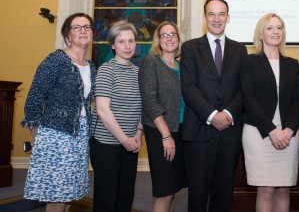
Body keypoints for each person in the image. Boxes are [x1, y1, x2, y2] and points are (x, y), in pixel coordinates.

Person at [21, 13, 96, 212]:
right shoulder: (56, 60)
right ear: (67, 34)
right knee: (57, 192)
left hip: (79, 135)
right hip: (56, 135)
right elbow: (34, 98)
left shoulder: (92, 67)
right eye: (77, 27)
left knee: (71, 190)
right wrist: (35, 133)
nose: (83, 31)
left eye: (87, 27)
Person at [180, 0, 248, 212]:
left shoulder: (240, 49)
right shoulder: (190, 48)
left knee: (224, 193)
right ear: (204, 17)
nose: (216, 19)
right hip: (199, 131)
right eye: (211, 14)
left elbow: (242, 88)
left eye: (221, 14)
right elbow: (188, 87)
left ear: (228, 18)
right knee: (198, 195)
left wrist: (227, 114)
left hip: (230, 132)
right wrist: (212, 115)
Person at [240, 13, 299, 212]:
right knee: (265, 190)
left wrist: (289, 130)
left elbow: (297, 101)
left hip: (288, 135)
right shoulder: (249, 62)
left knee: (284, 190)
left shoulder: (292, 64)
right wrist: (271, 130)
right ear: (260, 33)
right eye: (270, 28)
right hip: (258, 133)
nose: (276, 32)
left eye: (279, 27)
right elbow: (248, 99)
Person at [89, 20, 143, 212]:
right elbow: (103, 110)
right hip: (106, 143)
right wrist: (124, 140)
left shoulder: (139, 72)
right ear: (113, 45)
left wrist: (138, 133)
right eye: (121, 41)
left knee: (126, 194)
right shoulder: (106, 70)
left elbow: (142, 107)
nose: (127, 46)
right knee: (107, 197)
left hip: (130, 142)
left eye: (131, 41)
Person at [139, 21, 187, 212]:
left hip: (182, 130)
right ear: (158, 40)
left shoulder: (181, 65)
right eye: (164, 35)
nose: (169, 38)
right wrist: (166, 135)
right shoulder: (151, 62)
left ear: (178, 39)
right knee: (165, 190)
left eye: (172, 34)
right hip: (161, 131)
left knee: (173, 188)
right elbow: (150, 101)